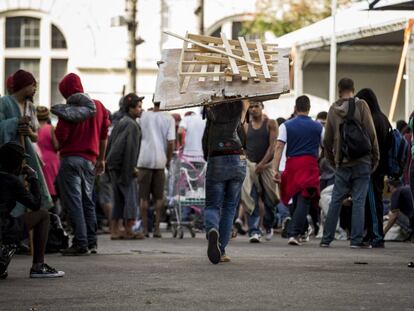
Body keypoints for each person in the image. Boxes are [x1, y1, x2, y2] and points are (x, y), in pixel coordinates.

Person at [321, 78, 379, 248]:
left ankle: (326, 239)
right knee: (359, 201)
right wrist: (375, 156)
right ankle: (356, 240)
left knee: (336, 201)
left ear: (339, 90)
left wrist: (334, 161)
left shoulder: (333, 109)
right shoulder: (361, 105)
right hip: (362, 161)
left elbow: (328, 140)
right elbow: (371, 132)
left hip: (342, 163)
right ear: (353, 89)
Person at [56, 73, 109, 256]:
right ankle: (92, 242)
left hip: (70, 160)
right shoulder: (99, 106)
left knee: (74, 202)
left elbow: (61, 137)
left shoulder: (68, 109)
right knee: (88, 202)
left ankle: (80, 242)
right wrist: (101, 159)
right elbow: (104, 136)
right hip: (90, 162)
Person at [0, 142, 64, 279]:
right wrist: (33, 178)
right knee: (44, 215)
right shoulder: (11, 181)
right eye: (22, 161)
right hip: (4, 228)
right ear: (16, 163)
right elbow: (35, 205)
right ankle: (38, 266)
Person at [273, 95, 323, 246]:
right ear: (309, 109)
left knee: (295, 198)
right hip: (310, 165)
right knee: (305, 199)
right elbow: (326, 146)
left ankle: (299, 231)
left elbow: (279, 147)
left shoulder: (285, 126)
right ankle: (295, 233)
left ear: (295, 108)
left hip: (292, 165)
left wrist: (275, 169)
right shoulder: (319, 127)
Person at [0, 70, 52, 215]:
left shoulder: (30, 107)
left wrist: (29, 132)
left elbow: (35, 137)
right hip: (10, 157)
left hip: (27, 153)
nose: (34, 89)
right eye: (32, 85)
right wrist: (15, 122)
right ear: (22, 86)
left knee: (30, 187)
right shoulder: (4, 102)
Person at [202, 100, 248, 264]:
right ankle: (221, 249)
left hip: (217, 158)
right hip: (238, 158)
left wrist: (207, 156)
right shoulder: (238, 110)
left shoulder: (212, 112)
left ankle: (212, 229)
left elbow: (206, 138)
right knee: (230, 207)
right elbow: (244, 138)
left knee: (213, 205)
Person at [355, 88, 392, 248]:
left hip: (373, 168)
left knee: (372, 202)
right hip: (381, 167)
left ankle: (377, 236)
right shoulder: (383, 118)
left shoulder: (373, 120)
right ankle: (372, 234)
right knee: (374, 201)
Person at [106, 93, 144, 239]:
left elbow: (111, 145)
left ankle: (115, 230)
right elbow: (129, 149)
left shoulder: (121, 122)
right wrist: (131, 168)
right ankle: (128, 229)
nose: (141, 109)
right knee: (130, 199)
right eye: (139, 107)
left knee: (118, 200)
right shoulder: (132, 125)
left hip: (115, 166)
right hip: (124, 167)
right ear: (131, 109)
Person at [241, 100, 279, 242]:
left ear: (262, 107)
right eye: (251, 106)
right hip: (250, 167)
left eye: (256, 106)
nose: (253, 109)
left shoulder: (271, 123)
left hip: (267, 166)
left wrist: (262, 164)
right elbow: (243, 147)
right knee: (251, 198)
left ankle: (268, 226)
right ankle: (254, 231)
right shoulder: (245, 126)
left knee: (270, 200)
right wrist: (247, 162)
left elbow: (273, 146)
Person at [137, 101, 175, 238]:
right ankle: (157, 229)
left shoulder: (143, 116)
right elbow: (171, 142)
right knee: (159, 197)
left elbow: (139, 135)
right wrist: (168, 160)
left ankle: (145, 229)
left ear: (154, 101)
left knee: (143, 197)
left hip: (144, 159)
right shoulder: (168, 118)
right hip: (160, 160)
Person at [36, 106, 60, 204]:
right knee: (53, 189)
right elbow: (56, 146)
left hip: (38, 159)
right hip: (52, 161)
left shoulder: (33, 129)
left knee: (42, 187)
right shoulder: (51, 129)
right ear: (47, 116)